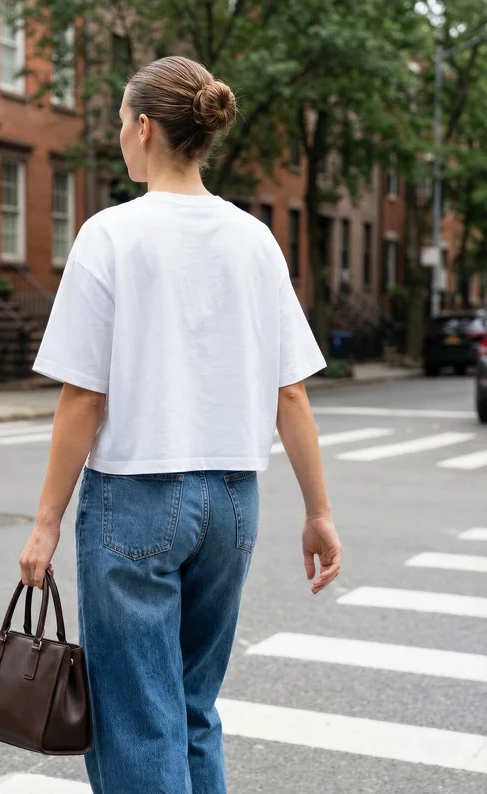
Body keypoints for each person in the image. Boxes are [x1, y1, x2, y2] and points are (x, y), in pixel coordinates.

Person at [19, 55, 342, 794]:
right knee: (193, 709)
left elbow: (84, 398)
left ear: (142, 126)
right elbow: (289, 393)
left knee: (138, 718)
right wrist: (319, 513)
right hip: (232, 501)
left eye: (118, 123)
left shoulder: (110, 235)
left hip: (134, 496)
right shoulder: (255, 240)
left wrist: (44, 523)